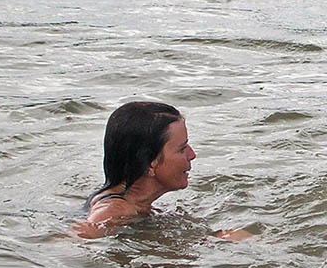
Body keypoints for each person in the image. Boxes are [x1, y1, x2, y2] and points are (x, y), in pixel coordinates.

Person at [73, 101, 250, 240]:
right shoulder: (115, 210)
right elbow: (78, 238)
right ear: (151, 164)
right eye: (182, 149)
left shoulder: (132, 204)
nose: (192, 155)